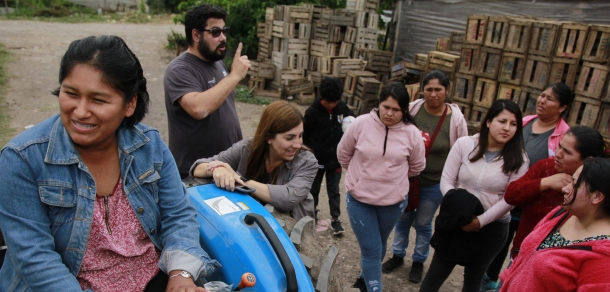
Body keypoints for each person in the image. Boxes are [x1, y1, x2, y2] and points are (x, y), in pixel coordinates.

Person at [0, 35, 219, 292]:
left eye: (98, 100)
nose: (80, 111)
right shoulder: (22, 158)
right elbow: (35, 257)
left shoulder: (149, 146)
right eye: (70, 94)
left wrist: (181, 273)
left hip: (150, 278)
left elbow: (178, 215)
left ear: (129, 104)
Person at [420, 99, 529, 292]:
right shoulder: (465, 144)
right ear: (488, 121)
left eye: (513, 124)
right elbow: (446, 181)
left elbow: (509, 199)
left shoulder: (519, 159)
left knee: (473, 281)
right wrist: (462, 213)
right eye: (502, 121)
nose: (507, 128)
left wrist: (479, 221)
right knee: (433, 278)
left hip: (492, 229)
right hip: (456, 222)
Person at [481, 82, 573, 291]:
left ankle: (508, 282)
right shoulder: (524, 123)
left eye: (550, 98)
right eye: (542, 95)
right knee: (498, 243)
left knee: (523, 246)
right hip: (507, 195)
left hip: (533, 205)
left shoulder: (564, 136)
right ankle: (490, 279)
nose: (542, 101)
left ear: (562, 107)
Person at [337, 82, 426, 292]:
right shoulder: (360, 124)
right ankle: (374, 288)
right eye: (386, 107)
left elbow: (416, 166)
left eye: (396, 110)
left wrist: (393, 183)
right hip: (360, 200)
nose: (390, 113)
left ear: (405, 110)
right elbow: (343, 153)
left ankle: (363, 278)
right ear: (379, 104)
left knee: (378, 242)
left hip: (393, 202)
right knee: (371, 249)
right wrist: (362, 177)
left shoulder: (412, 133)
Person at [382, 70, 468, 282]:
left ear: (447, 90)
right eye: (428, 89)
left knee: (423, 222)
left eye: (438, 89)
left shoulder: (455, 119)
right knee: (401, 219)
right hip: (406, 179)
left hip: (434, 183)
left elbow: (463, 150)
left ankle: (419, 260)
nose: (433, 94)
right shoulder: (413, 109)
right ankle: (398, 255)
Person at [191, 100, 318, 220]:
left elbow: (288, 198)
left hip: (290, 234)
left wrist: (240, 181)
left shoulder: (307, 161)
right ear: (269, 137)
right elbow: (198, 168)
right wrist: (218, 169)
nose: (298, 144)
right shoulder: (247, 148)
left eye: (300, 136)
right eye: (289, 138)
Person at [164, 4, 250, 178]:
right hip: (195, 171)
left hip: (226, 166)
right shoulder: (180, 69)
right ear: (196, 35)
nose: (223, 37)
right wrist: (234, 76)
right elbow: (198, 108)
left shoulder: (217, 63)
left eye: (225, 31)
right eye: (215, 32)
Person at [499, 158, 610, 291]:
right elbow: (527, 255)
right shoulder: (562, 214)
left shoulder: (603, 259)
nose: (565, 188)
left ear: (597, 196)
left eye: (574, 184)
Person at [504, 126, 610, 260]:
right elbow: (511, 195)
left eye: (566, 152)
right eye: (559, 146)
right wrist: (544, 183)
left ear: (588, 160)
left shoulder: (592, 190)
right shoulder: (546, 167)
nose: (558, 153)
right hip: (521, 253)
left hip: (554, 262)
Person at [303, 76, 354, 235]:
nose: (332, 104)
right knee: (314, 189)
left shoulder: (343, 109)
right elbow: (305, 137)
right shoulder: (312, 112)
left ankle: (335, 219)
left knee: (334, 189)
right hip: (316, 160)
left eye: (335, 101)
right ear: (321, 97)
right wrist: (309, 154)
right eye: (328, 101)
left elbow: (353, 126)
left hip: (336, 161)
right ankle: (312, 214)